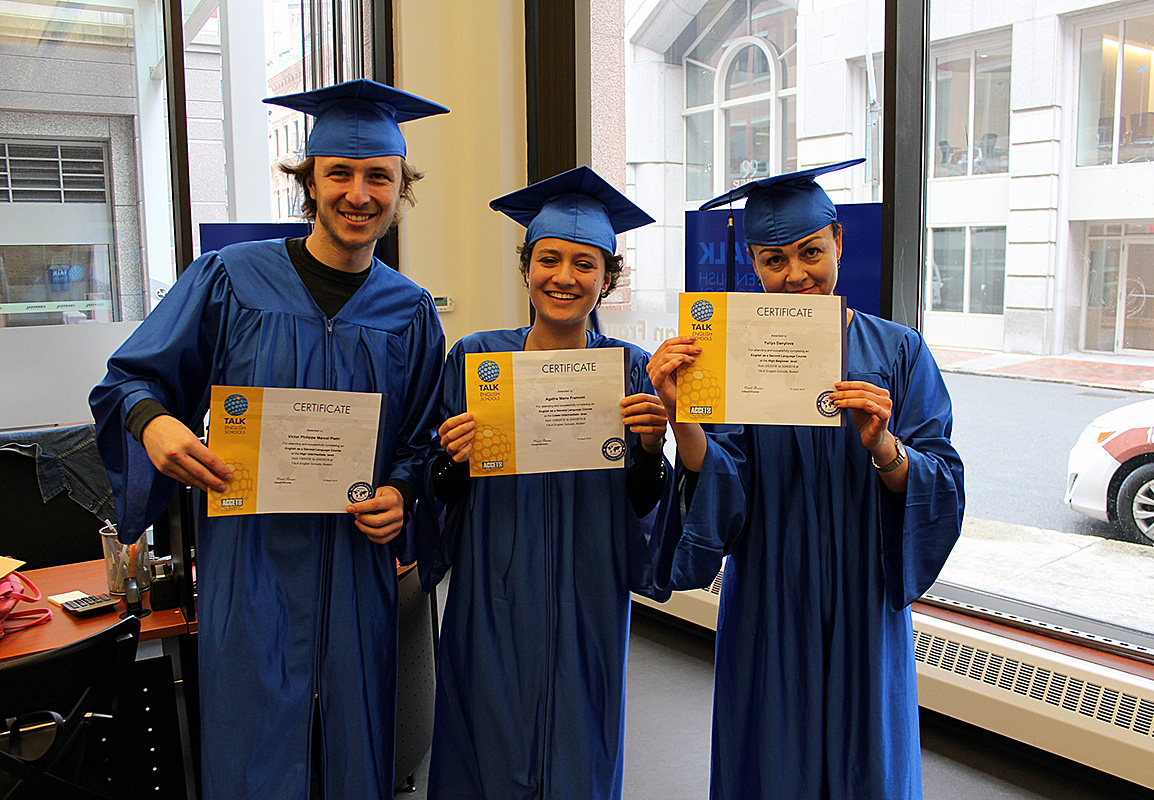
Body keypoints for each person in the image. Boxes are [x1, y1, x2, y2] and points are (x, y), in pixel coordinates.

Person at [89, 79, 448, 800]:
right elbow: (127, 380)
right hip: (250, 557)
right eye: (339, 173)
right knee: (251, 737)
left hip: (357, 561)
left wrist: (402, 492)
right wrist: (155, 423)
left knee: (358, 739)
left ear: (399, 190)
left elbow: (421, 442)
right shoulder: (230, 279)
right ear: (309, 183)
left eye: (379, 177)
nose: (358, 194)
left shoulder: (409, 311)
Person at [648, 159, 966, 800]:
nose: (795, 274)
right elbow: (723, 479)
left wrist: (884, 447)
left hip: (863, 590)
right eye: (774, 260)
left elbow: (941, 477)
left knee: (865, 760)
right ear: (754, 265)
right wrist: (683, 417)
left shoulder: (899, 351)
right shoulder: (730, 358)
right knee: (772, 758)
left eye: (811, 252)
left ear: (839, 243)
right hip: (770, 587)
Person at [419, 166, 672, 800]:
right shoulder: (477, 358)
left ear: (607, 279)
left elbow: (644, 500)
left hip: (590, 584)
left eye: (586, 264)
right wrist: (452, 458)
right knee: (488, 730)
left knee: (582, 737)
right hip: (494, 584)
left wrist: (649, 449)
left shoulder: (630, 369)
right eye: (549, 259)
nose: (565, 277)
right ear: (526, 267)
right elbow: (438, 487)